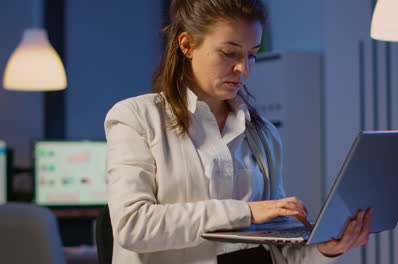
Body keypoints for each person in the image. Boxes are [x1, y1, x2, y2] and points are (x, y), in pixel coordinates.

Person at [104, 0, 372, 263]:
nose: (243, 68)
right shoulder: (135, 117)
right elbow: (133, 226)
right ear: (187, 44)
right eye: (229, 53)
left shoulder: (263, 133)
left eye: (252, 54)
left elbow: (281, 251)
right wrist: (245, 212)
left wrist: (327, 249)